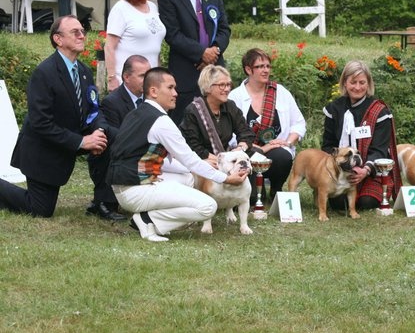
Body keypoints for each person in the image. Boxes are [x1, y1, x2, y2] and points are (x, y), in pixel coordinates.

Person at [107, 67, 249, 242]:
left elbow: (149, 158)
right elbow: (190, 160)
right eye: (170, 88)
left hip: (122, 187)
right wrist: (226, 178)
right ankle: (147, 220)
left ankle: (150, 216)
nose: (176, 93)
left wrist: (200, 166)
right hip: (135, 191)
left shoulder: (137, 113)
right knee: (208, 207)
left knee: (188, 178)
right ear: (154, 91)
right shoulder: (161, 121)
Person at [0, 15, 109, 217]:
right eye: (75, 32)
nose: (82, 35)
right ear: (58, 39)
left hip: (67, 139)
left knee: (109, 139)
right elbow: (41, 123)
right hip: (43, 149)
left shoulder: (84, 71)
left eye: (82, 31)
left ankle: (104, 202)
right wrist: (82, 141)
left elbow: (94, 109)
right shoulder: (44, 73)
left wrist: (99, 132)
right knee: (40, 209)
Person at [157, 0, 231, 124]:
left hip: (215, 71)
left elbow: (224, 29)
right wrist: (201, 53)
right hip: (186, 74)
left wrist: (214, 51)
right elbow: (173, 35)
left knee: (218, 123)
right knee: (186, 124)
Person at [321, 60, 402, 210]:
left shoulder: (380, 111)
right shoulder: (334, 109)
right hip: (340, 171)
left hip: (370, 172)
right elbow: (327, 145)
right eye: (353, 82)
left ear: (369, 84)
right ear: (344, 83)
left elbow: (379, 149)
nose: (357, 87)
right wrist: (338, 167)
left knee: (366, 202)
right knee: (340, 204)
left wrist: (365, 170)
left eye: (362, 82)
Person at [228, 49, 306, 199]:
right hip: (247, 151)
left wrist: (288, 142)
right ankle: (257, 188)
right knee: (254, 198)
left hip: (276, 149)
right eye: (260, 67)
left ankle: (276, 188)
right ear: (248, 69)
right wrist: (260, 148)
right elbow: (230, 135)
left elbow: (298, 124)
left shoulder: (280, 92)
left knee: (283, 156)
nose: (265, 70)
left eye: (268, 66)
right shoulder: (235, 96)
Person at [86, 55, 151, 221]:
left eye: (149, 75)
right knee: (108, 146)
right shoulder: (112, 102)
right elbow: (114, 136)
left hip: (142, 152)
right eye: (142, 76)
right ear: (126, 77)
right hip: (117, 152)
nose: (148, 80)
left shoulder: (151, 99)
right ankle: (104, 201)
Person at [104, 0, 165, 92]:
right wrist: (112, 78)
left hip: (151, 82)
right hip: (128, 82)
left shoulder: (153, 7)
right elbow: (109, 47)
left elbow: (155, 46)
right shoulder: (121, 8)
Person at [179, 64, 256, 167]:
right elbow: (192, 145)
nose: (227, 89)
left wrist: (239, 149)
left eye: (228, 84)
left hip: (227, 155)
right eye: (222, 85)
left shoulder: (230, 106)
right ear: (208, 87)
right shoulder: (193, 111)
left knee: (257, 156)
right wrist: (221, 161)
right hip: (205, 160)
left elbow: (245, 132)